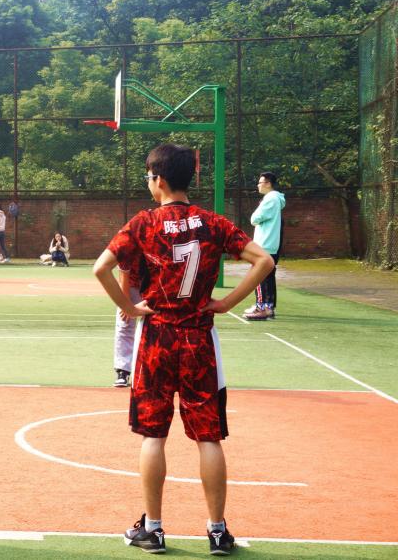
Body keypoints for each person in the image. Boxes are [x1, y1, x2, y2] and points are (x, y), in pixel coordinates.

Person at [93, 143, 274, 556]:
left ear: (157, 179)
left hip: (157, 337)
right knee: (208, 437)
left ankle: (153, 530)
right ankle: (217, 532)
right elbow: (263, 261)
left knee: (153, 435)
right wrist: (227, 303)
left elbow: (101, 268)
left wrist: (128, 308)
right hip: (199, 339)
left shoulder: (143, 223)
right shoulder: (213, 223)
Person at [244, 172, 286, 321]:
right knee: (268, 277)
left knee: (259, 275)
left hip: (265, 244)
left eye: (260, 182)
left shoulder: (271, 199)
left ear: (268, 184)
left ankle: (261, 308)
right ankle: (268, 307)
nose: (258, 185)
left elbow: (254, 218)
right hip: (270, 244)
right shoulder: (275, 199)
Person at [113, 260, 144, 388]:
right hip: (131, 285)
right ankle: (123, 370)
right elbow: (124, 276)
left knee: (158, 324)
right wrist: (126, 304)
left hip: (156, 285)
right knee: (124, 322)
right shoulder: (126, 250)